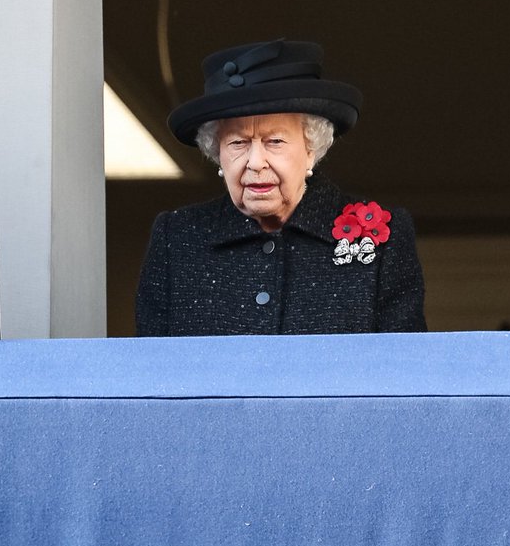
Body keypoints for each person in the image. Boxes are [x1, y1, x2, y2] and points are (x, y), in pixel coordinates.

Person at [135, 39, 426, 335]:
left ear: (311, 148)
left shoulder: (386, 239)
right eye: (238, 143)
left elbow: (405, 361)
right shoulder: (177, 237)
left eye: (275, 141)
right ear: (217, 153)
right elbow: (150, 361)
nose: (255, 162)